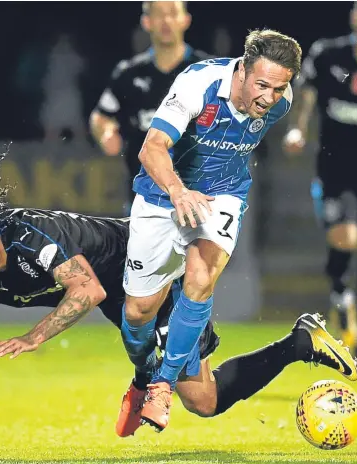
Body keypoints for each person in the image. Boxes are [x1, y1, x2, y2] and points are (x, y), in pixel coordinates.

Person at [0, 153, 357, 445]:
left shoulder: (31, 237)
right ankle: (146, 377)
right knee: (178, 376)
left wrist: (35, 336)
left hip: (148, 269)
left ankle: (299, 342)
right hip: (119, 294)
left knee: (201, 400)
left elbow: (87, 290)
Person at [118, 28, 304, 433]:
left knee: (201, 277)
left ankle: (162, 387)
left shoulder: (281, 102)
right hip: (161, 196)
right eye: (262, 85)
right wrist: (178, 190)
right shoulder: (197, 83)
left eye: (279, 88)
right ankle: (144, 375)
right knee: (137, 314)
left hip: (222, 196)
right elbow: (151, 148)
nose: (270, 98)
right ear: (241, 70)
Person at [283, 1, 357, 369]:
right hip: (335, 171)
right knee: (344, 237)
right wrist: (297, 129)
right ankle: (342, 302)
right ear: (355, 17)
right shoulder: (328, 55)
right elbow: (305, 97)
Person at [89, 1, 209, 210]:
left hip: (200, 195)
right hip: (144, 199)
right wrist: (105, 133)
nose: (166, 21)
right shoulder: (128, 74)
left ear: (186, 20)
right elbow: (101, 115)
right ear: (146, 22)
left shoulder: (208, 72)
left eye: (172, 13)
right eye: (159, 14)